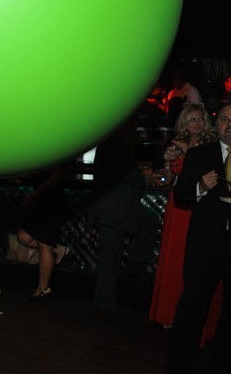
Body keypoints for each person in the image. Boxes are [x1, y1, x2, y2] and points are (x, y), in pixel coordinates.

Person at [167, 104, 231, 374]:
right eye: (224, 120)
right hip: (205, 245)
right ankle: (178, 360)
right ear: (216, 124)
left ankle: (226, 361)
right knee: (192, 305)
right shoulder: (199, 154)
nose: (230, 125)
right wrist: (200, 186)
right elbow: (181, 196)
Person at [149, 105, 222, 343]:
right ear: (184, 122)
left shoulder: (213, 145)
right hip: (178, 206)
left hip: (201, 206)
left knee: (199, 261)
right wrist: (168, 162)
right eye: (192, 119)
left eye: (200, 119)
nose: (197, 123)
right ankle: (171, 314)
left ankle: (201, 321)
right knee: (176, 259)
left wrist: (186, 151)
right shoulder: (177, 143)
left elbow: (208, 173)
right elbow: (170, 179)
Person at [89, 117, 160, 314]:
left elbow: (120, 171)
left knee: (148, 220)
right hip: (113, 208)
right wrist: (143, 176)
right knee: (108, 260)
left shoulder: (112, 140)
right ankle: (105, 303)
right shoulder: (115, 142)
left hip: (117, 207)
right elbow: (123, 173)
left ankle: (133, 266)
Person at [16, 165, 71, 299]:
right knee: (23, 236)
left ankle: (43, 288)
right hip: (43, 203)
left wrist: (33, 195)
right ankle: (58, 249)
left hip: (53, 204)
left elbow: (56, 177)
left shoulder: (58, 156)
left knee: (45, 245)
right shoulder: (44, 158)